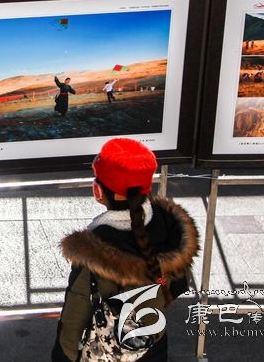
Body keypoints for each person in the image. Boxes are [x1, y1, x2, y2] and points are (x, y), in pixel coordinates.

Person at [52, 138, 198, 362]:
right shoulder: (172, 226)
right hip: (153, 344)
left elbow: (75, 317)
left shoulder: (94, 250)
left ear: (98, 191)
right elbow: (179, 284)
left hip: (109, 351)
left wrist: (62, 357)